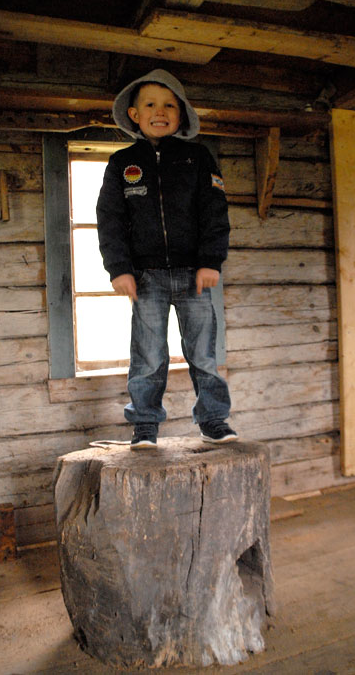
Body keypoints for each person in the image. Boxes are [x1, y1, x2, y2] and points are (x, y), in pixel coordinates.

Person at [96, 69, 237, 450]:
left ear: (181, 114)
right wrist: (119, 269)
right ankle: (144, 425)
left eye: (169, 105)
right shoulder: (121, 163)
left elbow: (214, 212)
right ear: (134, 114)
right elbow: (110, 219)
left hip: (194, 275)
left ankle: (213, 420)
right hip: (146, 277)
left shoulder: (198, 157)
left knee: (203, 354)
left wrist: (211, 261)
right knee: (148, 356)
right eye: (150, 104)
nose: (160, 112)